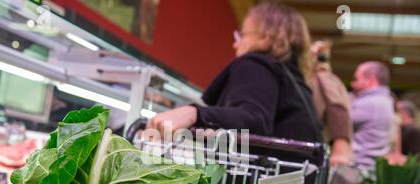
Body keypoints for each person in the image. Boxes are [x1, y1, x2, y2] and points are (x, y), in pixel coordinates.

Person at [146, 2, 322, 156]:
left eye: (243, 35)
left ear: (266, 37)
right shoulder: (296, 84)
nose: (235, 44)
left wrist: (194, 113)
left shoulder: (256, 65)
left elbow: (254, 120)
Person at [308, 40, 353, 166]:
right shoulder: (325, 78)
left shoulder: (323, 78)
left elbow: (336, 107)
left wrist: (340, 147)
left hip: (325, 153)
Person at [350, 61, 394, 169]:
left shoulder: (369, 103)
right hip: (372, 167)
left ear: (370, 80)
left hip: (358, 169)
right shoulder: (385, 100)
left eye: (356, 79)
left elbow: (338, 123)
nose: (352, 84)